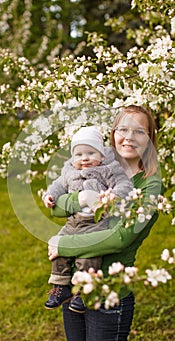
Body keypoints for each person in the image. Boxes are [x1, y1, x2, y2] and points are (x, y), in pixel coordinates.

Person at [47, 105, 163, 341]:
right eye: (123, 129)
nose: (129, 137)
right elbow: (56, 207)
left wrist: (63, 244)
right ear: (113, 133)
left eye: (139, 131)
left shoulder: (150, 185)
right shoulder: (96, 163)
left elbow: (120, 238)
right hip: (75, 285)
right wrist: (80, 199)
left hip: (109, 293)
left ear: (150, 139)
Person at [43, 126, 133, 313]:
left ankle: (84, 291)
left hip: (96, 223)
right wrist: (50, 195)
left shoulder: (108, 169)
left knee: (88, 256)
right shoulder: (68, 172)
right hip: (73, 222)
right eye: (79, 155)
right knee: (58, 249)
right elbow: (57, 186)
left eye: (91, 153)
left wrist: (113, 196)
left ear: (101, 154)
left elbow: (124, 184)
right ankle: (60, 286)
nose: (84, 158)